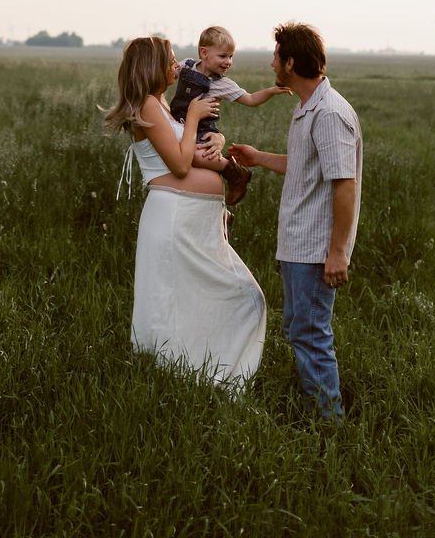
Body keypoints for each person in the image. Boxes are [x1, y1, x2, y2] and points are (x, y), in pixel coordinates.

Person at [104, 36, 266, 389]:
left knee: (212, 295)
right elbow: (178, 165)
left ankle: (202, 372)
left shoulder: (161, 103)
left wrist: (216, 140)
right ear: (152, 66)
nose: (178, 66)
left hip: (191, 219)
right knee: (175, 300)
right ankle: (173, 377)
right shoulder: (147, 105)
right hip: (173, 217)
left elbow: (190, 148)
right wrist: (193, 117)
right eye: (171, 60)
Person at [229, 22, 362, 422]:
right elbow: (306, 166)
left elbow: (344, 183)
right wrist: (257, 157)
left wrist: (337, 251)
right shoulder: (307, 108)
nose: (271, 63)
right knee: (300, 330)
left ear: (290, 62)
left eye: (275, 56)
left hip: (316, 250)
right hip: (298, 244)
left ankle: (328, 425)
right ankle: (319, 413)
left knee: (310, 335)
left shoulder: (330, 113)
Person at [170, 24, 291, 206]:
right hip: (179, 123)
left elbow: (250, 99)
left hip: (203, 131)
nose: (228, 62)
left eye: (231, 56)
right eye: (223, 56)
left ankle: (235, 172)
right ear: (203, 53)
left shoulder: (223, 84)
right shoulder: (186, 65)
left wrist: (271, 91)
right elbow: (167, 74)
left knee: (197, 156)